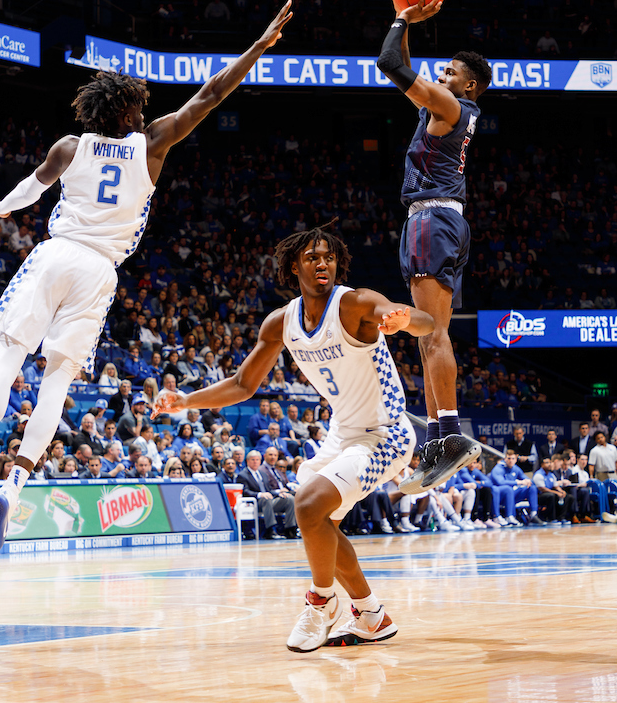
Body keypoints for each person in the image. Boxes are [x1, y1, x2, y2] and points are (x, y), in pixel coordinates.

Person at [0, 2, 295, 557]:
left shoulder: (70, 146)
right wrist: (256, 47)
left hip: (57, 253)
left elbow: (32, 189)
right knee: (56, 383)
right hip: (101, 271)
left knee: (7, 361)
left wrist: (0, 209)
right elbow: (210, 96)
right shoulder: (151, 144)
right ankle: (13, 486)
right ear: (132, 111)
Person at [154, 225, 434, 652]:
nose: (322, 263)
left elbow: (426, 322)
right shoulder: (281, 322)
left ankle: (320, 603)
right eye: (311, 257)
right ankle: (372, 615)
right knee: (320, 525)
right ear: (292, 267)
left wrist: (402, 318)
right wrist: (185, 401)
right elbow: (243, 384)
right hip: (343, 435)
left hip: (386, 436)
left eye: (329, 257)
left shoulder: (356, 303)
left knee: (308, 505)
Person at [375, 0, 492, 494]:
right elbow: (403, 63)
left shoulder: (450, 104)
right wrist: (407, 27)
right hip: (441, 221)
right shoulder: (446, 109)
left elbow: (388, 63)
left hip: (432, 221)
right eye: (440, 70)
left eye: (449, 71)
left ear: (469, 86)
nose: (440, 75)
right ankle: (443, 440)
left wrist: (402, 17)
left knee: (433, 335)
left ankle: (449, 437)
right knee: (429, 335)